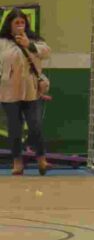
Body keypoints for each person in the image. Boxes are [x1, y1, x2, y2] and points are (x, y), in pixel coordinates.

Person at [0, 9, 50, 175]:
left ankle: (42, 160)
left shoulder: (34, 40)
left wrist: (28, 44)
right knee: (15, 128)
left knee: (35, 125)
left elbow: (46, 52)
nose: (20, 25)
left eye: (22, 22)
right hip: (8, 91)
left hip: (31, 90)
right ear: (9, 25)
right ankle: (17, 162)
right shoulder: (2, 42)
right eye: (17, 23)